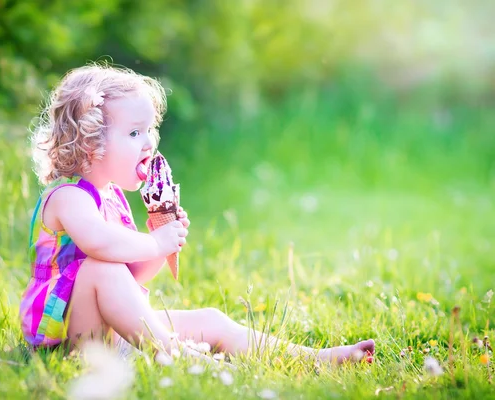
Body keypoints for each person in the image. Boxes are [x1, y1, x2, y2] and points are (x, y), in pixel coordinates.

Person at [19, 63, 375, 364]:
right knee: (99, 267)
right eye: (133, 132)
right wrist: (153, 240)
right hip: (68, 340)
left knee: (212, 320)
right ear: (90, 141)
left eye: (150, 131)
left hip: (110, 332)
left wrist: (161, 244)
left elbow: (133, 279)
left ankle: (313, 359)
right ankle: (178, 355)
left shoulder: (112, 198)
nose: (148, 143)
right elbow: (101, 247)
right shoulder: (68, 198)